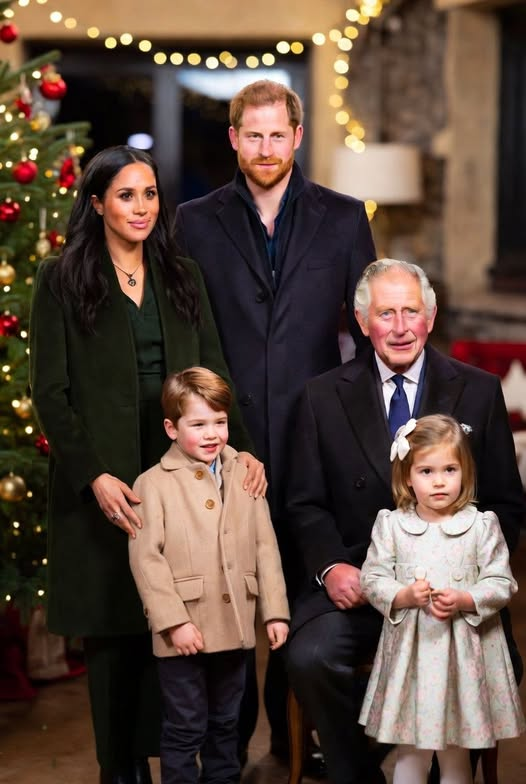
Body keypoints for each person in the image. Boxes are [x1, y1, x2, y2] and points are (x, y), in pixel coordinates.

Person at [28, 146, 265, 784]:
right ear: (97, 203)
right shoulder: (60, 278)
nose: (142, 207)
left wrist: (243, 450)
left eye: (151, 194)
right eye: (126, 195)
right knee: (114, 628)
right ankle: (119, 768)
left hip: (178, 472)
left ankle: (171, 760)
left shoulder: (182, 274)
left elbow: (214, 372)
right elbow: (49, 393)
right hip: (103, 476)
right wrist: (93, 476)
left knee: (174, 620)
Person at [174, 78, 376, 760]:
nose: (266, 147)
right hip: (219, 444)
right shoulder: (193, 220)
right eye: (253, 134)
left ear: (298, 137)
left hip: (315, 443)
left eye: (277, 135)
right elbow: (183, 332)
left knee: (300, 598)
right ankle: (225, 755)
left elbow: (367, 337)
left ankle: (293, 746)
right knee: (224, 605)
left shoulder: (344, 218)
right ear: (234, 138)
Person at [286, 258, 525, 784]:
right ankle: (360, 774)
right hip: (361, 583)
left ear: (430, 317)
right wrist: (331, 567)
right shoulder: (322, 395)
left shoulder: (479, 390)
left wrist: (469, 581)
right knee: (310, 658)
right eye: (385, 313)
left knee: (501, 661)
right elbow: (304, 502)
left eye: (411, 312)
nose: (400, 327)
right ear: (361, 320)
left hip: (451, 596)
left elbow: (507, 504)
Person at [128, 366, 290, 784]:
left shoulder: (245, 473)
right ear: (172, 428)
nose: (212, 434)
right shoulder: (153, 485)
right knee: (185, 727)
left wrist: (275, 612)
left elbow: (265, 546)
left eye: (219, 422)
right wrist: (173, 622)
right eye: (198, 424)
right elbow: (147, 561)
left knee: (226, 724)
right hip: (184, 632)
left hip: (235, 627)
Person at [360, 414, 525, 784]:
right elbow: (371, 577)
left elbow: (501, 581)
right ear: (407, 476)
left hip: (464, 659)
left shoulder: (481, 526)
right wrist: (402, 594)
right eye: (426, 471)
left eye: (450, 469)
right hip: (411, 659)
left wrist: (467, 598)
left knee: (456, 752)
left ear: (465, 472)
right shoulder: (393, 525)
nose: (439, 481)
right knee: (410, 751)